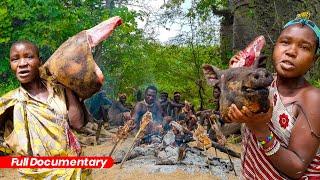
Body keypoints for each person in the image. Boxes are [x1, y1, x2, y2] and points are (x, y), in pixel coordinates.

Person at [228, 15, 320, 179]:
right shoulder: (263, 83)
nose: (291, 52)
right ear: (275, 47)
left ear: (314, 60)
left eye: (304, 47)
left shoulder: (313, 99)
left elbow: (297, 168)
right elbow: (230, 113)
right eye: (285, 42)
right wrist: (234, 77)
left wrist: (260, 130)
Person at [0, 41, 90, 178]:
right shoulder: (9, 102)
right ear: (11, 65)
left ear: (39, 61)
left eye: (29, 57)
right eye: (15, 59)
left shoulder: (59, 90)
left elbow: (77, 124)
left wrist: (65, 84)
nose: (22, 63)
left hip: (73, 171)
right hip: (37, 174)